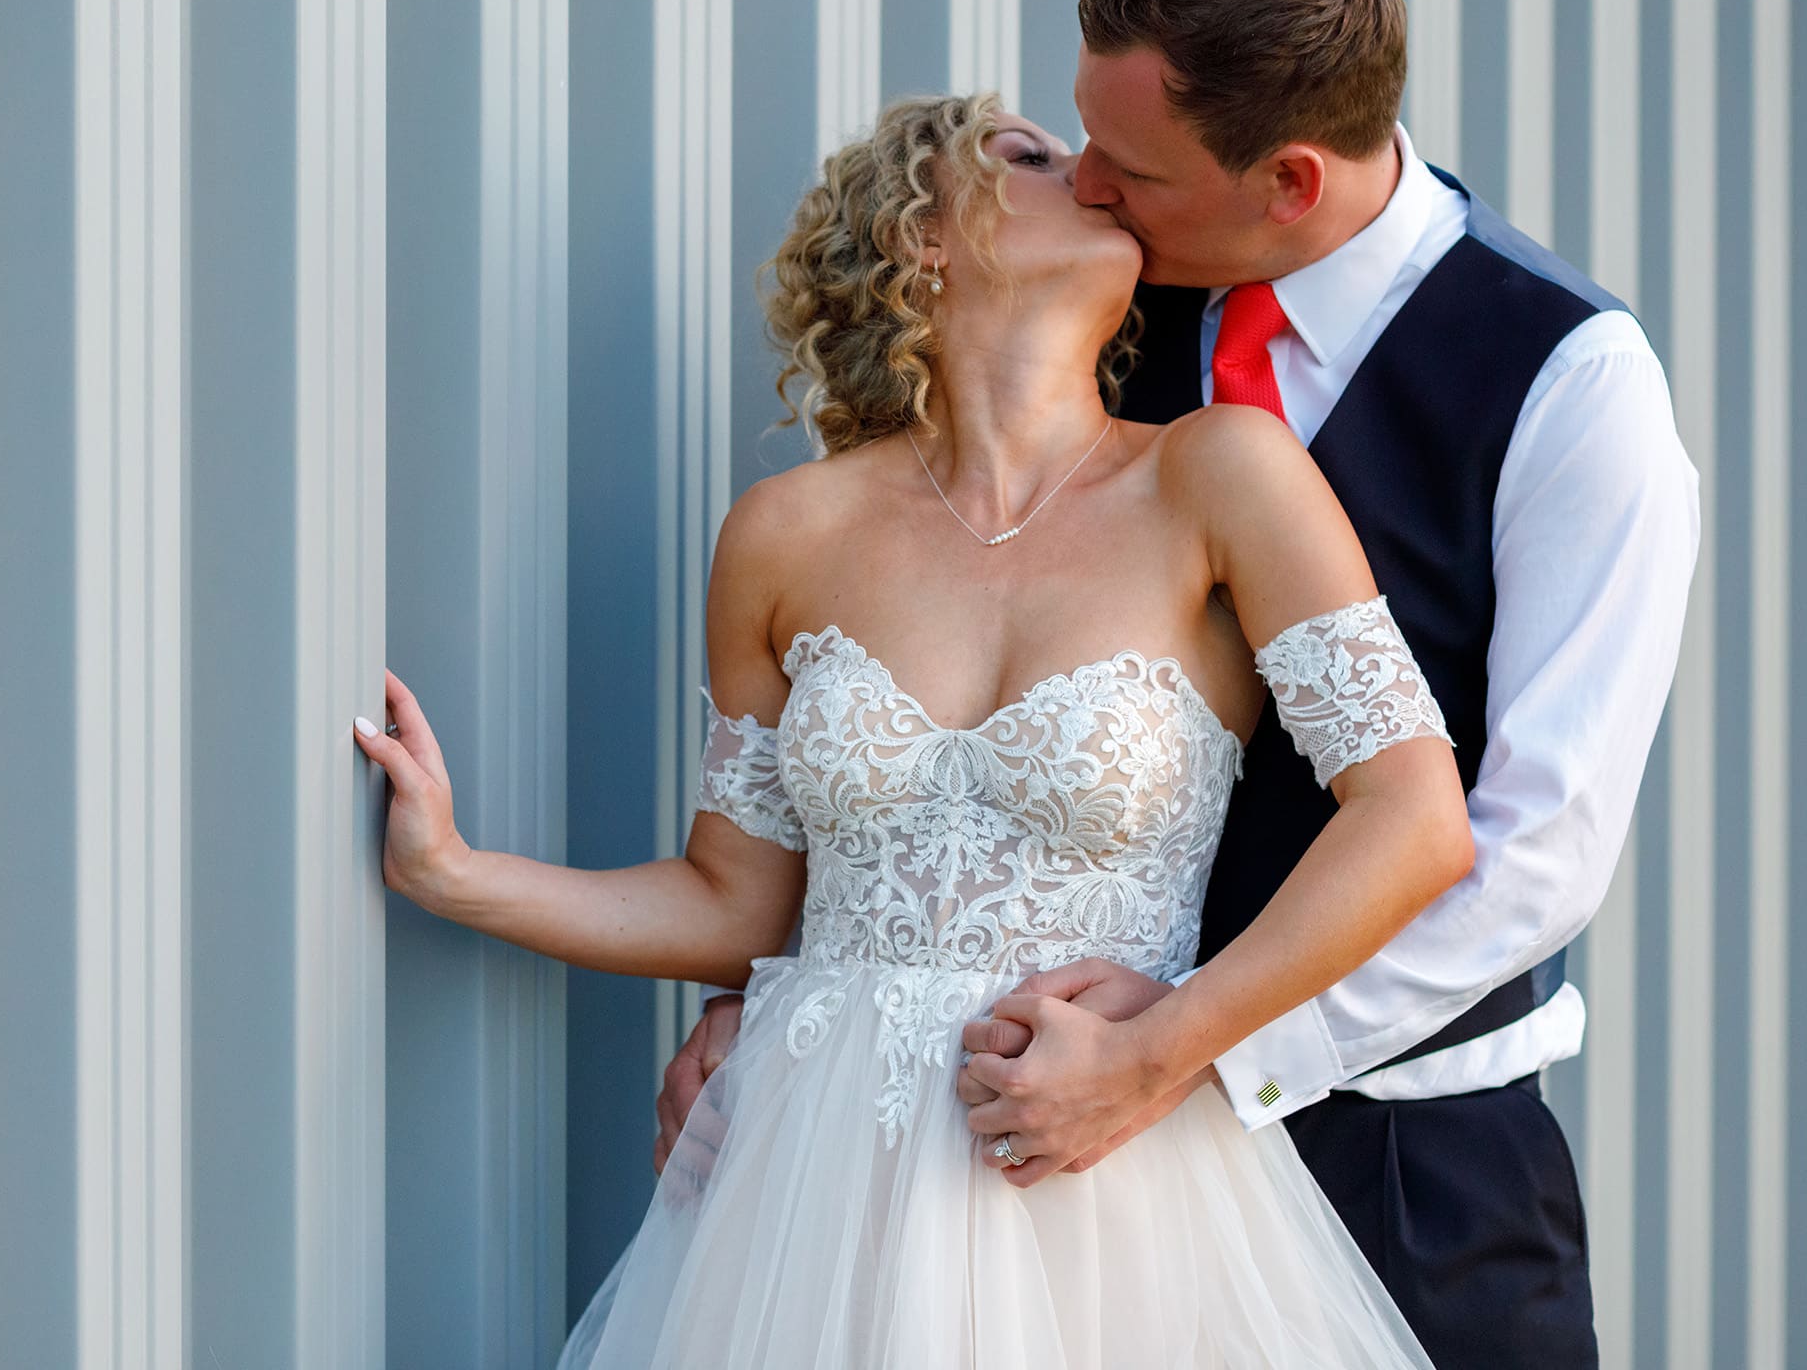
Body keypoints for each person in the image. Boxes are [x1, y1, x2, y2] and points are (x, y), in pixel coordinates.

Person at [660, 0, 1697, 1368]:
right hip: (1037, 1174)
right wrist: (753, 994)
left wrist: (1193, 1053)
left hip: (1410, 1164)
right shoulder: (1097, 318)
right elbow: (884, 673)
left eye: (1130, 167)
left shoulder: (1570, 384)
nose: (1086, 184)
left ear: (1283, 180)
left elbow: (1537, 849)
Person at [359, 85, 1470, 1364]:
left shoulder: (1218, 475)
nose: (1094, 175)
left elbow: (1416, 820)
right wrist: (456, 874)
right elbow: (737, 902)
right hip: (813, 1195)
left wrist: (1171, 1043)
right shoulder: (788, 533)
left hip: (1105, 1180)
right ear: (921, 238)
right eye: (1030, 155)